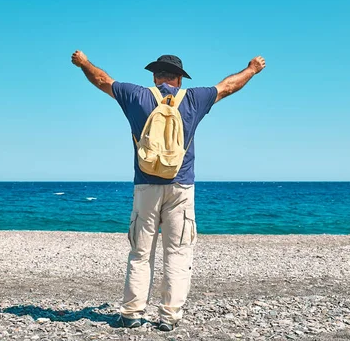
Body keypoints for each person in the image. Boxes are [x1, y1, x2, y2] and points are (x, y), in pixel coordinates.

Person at [70, 51, 266, 331]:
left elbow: (101, 79)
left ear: (154, 76)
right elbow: (229, 86)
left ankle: (131, 314)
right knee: (177, 253)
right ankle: (168, 318)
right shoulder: (195, 98)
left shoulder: (135, 95)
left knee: (140, 253)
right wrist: (252, 69)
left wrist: (84, 63)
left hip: (146, 186)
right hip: (181, 185)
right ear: (178, 78)